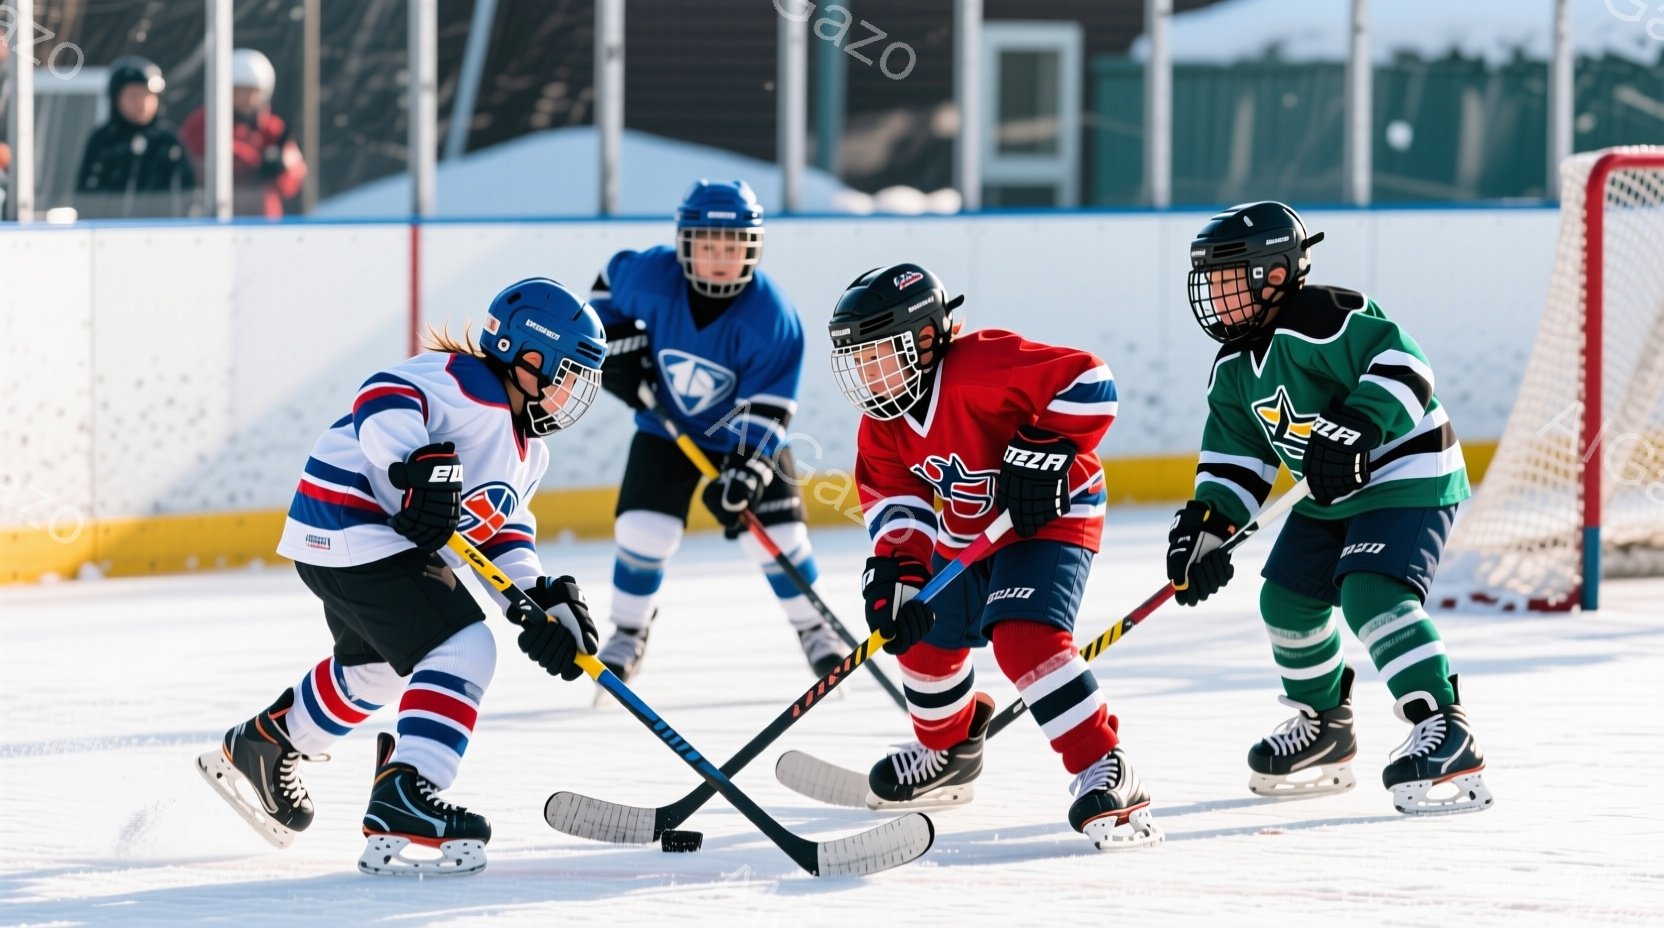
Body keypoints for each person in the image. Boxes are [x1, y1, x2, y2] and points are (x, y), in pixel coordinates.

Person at [196, 278, 609, 876]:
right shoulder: (471, 383)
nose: (574, 390)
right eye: (569, 372)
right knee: (463, 648)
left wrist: (537, 600)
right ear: (529, 356)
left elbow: (497, 527)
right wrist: (416, 461)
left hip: (350, 538)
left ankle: (269, 742)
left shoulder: (529, 451)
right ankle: (407, 793)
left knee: (379, 670)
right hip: (354, 518)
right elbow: (382, 393)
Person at [1165, 201, 1492, 816]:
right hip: (1330, 493)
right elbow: (1236, 463)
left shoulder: (1323, 315)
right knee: (1286, 599)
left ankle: (1447, 728)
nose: (1214, 293)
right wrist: (1209, 528)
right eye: (1209, 279)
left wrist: (1359, 422)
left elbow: (1405, 363)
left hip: (1407, 472)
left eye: (1227, 278)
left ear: (1276, 275)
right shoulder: (1233, 369)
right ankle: (1326, 729)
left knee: (1371, 592)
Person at [828, 262, 1161, 850]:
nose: (866, 373)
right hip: (966, 535)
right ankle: (949, 752)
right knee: (920, 639)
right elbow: (895, 502)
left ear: (924, 339)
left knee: (1023, 637)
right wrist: (899, 574)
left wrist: (1046, 446)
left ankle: (1109, 766)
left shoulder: (983, 364)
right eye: (857, 359)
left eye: (876, 354)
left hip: (1050, 518)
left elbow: (1090, 381)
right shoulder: (881, 426)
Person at [588, 179, 850, 683]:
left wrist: (746, 472)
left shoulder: (772, 317)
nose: (720, 258)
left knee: (780, 538)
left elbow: (771, 407)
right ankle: (628, 631)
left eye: (733, 246)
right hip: (666, 429)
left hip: (743, 436)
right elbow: (604, 285)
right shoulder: (651, 276)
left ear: (753, 248)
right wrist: (617, 346)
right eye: (707, 245)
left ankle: (816, 630)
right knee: (643, 531)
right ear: (685, 244)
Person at [181, 48, 305, 218]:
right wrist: (253, 162)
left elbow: (294, 177)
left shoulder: (273, 129)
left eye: (252, 91)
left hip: (262, 219)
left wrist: (281, 170)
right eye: (238, 91)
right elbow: (195, 163)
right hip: (212, 216)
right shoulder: (204, 122)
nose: (246, 98)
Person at [74, 56, 196, 218]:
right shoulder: (102, 139)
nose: (142, 103)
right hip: (107, 233)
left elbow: (187, 192)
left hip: (160, 233)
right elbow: (85, 194)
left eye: (148, 95)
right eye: (133, 96)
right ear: (115, 98)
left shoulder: (167, 140)